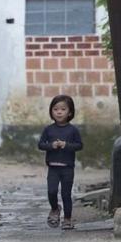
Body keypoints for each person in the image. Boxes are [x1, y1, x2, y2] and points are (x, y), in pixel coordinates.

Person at [38, 94, 82, 230]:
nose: (59, 112)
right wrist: (51, 145)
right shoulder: (48, 129)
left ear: (70, 112)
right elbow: (40, 144)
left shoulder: (73, 130)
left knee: (66, 194)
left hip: (67, 168)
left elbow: (79, 145)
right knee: (51, 191)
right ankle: (55, 208)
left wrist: (66, 145)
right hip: (53, 168)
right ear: (51, 111)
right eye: (55, 109)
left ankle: (67, 219)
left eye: (63, 109)